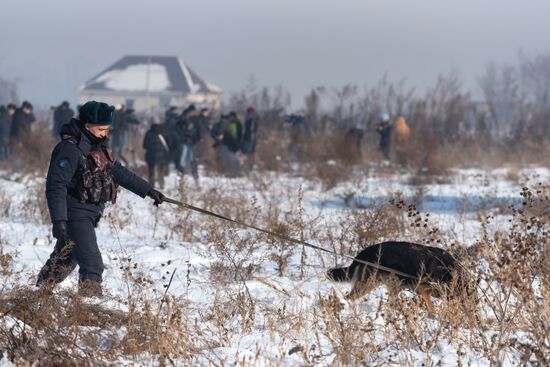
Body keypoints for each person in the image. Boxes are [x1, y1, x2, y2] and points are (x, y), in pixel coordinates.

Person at [36, 101, 165, 297]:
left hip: (89, 213)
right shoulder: (69, 149)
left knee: (65, 258)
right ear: (87, 125)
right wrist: (59, 221)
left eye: (107, 128)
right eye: (101, 128)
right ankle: (89, 309)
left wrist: (148, 190)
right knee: (92, 264)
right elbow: (56, 185)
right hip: (75, 214)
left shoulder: (99, 147)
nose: (105, 133)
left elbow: (120, 173)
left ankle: (37, 294)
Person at [175, 104, 201, 181]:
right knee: (182, 158)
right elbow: (177, 128)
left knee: (191, 158)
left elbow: (198, 129)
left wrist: (199, 138)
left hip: (192, 141)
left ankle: (193, 172)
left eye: (194, 112)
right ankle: (181, 173)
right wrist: (182, 136)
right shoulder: (183, 118)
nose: (193, 113)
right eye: (192, 112)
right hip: (184, 141)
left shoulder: (196, 119)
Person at [143, 117, 171, 190]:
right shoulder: (164, 131)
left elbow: (145, 145)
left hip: (151, 155)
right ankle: (161, 185)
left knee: (151, 171)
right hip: (162, 155)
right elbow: (169, 143)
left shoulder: (149, 133)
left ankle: (151, 186)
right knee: (161, 170)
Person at [211, 111, 242, 176]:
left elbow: (224, 138)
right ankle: (232, 173)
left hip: (231, 145)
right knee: (231, 160)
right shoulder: (228, 127)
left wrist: (216, 144)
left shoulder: (229, 126)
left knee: (227, 159)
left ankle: (229, 172)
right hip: (232, 145)